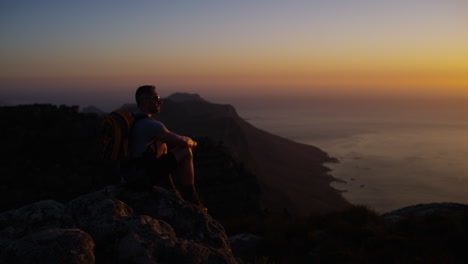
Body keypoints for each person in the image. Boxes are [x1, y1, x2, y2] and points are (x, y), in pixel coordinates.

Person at [128, 85, 201, 206]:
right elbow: (181, 142)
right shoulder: (151, 125)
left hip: (131, 174)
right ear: (144, 100)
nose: (160, 101)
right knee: (186, 151)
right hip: (142, 178)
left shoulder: (132, 119)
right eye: (156, 98)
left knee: (162, 145)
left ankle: (172, 190)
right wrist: (191, 142)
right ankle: (192, 198)